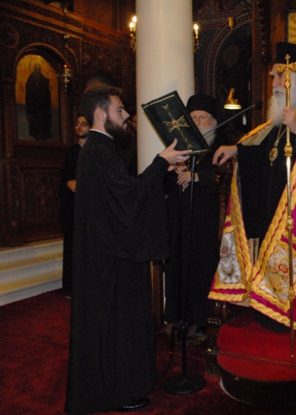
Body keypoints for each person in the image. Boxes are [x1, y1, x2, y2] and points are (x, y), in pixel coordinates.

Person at [65, 84, 190, 414]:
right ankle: (119, 391)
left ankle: (119, 387)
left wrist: (161, 170)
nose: (126, 116)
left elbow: (123, 194)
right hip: (110, 263)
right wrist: (160, 163)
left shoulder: (100, 149)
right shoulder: (99, 151)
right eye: (119, 110)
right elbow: (128, 199)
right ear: (101, 113)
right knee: (118, 327)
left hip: (107, 256)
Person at [210, 42, 296, 335]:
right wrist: (236, 150)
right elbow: (262, 146)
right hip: (274, 200)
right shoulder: (284, 111)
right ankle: (268, 307)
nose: (272, 82)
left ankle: (295, 312)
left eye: (278, 76)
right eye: (273, 76)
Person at [164, 94, 225, 334]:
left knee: (201, 269)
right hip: (179, 219)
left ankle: (199, 321)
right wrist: (172, 169)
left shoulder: (220, 147)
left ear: (213, 122)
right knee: (178, 266)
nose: (198, 122)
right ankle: (177, 317)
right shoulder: (179, 146)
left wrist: (197, 177)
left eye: (203, 117)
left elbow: (224, 176)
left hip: (206, 221)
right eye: (194, 118)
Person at [59, 114, 90, 298]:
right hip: (73, 206)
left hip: (91, 207)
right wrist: (69, 182)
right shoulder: (71, 151)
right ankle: (71, 287)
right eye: (77, 123)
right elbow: (64, 177)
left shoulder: (96, 150)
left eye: (83, 124)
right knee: (72, 246)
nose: (79, 126)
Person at [26, 62, 52, 140]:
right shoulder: (31, 78)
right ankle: (35, 133)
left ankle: (44, 133)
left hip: (42, 105)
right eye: (36, 69)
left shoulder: (43, 79)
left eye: (38, 69)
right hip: (33, 104)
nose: (37, 70)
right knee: (35, 120)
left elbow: (47, 91)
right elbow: (29, 91)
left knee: (43, 119)